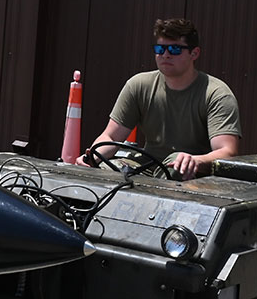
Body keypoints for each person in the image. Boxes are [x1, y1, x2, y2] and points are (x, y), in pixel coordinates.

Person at [85, 18, 240, 180]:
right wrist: (92, 157)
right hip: (147, 166)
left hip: (190, 173)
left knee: (177, 164)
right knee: (105, 169)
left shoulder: (216, 94)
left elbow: (227, 151)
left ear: (194, 53)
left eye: (174, 49)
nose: (165, 55)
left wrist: (196, 161)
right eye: (160, 49)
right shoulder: (138, 85)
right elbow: (110, 137)